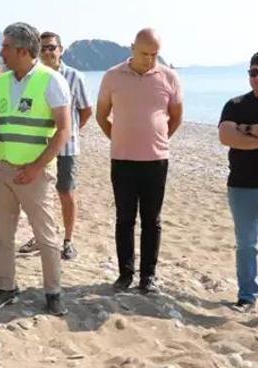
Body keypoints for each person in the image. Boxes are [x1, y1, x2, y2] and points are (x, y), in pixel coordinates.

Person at [0, 22, 71, 316]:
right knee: (2, 235)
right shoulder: (2, 81)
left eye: (5, 46)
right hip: (2, 169)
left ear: (21, 50)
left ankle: (53, 292)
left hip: (36, 174)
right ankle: (5, 288)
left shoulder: (50, 80)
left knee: (45, 236)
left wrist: (35, 167)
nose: (0, 52)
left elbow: (63, 130)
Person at [96, 28, 183, 294]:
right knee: (124, 218)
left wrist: (157, 139)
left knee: (152, 220)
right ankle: (125, 274)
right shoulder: (112, 76)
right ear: (132, 47)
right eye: (145, 53)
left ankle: (148, 276)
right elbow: (102, 116)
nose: (150, 59)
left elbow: (176, 116)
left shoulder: (169, 76)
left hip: (156, 160)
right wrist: (120, 139)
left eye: (155, 54)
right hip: (122, 159)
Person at [18, 31, 92, 260]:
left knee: (65, 192)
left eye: (52, 47)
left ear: (61, 49)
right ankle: (40, 237)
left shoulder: (74, 77)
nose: (48, 51)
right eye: (44, 48)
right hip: (37, 146)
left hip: (66, 148)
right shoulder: (33, 77)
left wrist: (68, 133)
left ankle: (68, 241)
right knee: (37, 195)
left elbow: (86, 110)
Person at [219, 50, 258, 312]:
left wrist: (245, 129)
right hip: (242, 185)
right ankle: (248, 295)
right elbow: (227, 137)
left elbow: (237, 134)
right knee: (246, 245)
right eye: (253, 72)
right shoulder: (235, 105)